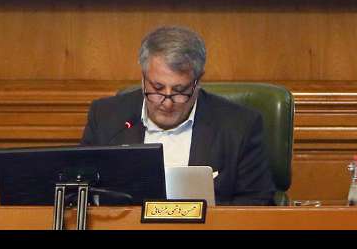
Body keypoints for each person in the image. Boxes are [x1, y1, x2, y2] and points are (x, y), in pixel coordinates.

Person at [80, 26, 275, 205]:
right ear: (143, 77)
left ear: (198, 82)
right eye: (157, 88)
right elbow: (79, 192)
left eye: (180, 91)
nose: (167, 102)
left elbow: (258, 204)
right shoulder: (106, 118)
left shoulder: (239, 126)